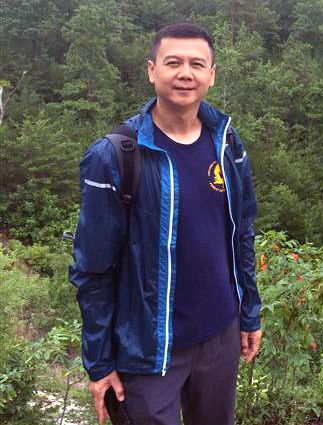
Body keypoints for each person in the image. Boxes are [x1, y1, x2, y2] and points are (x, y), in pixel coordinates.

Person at [69, 22, 262, 425]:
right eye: (173, 63)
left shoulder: (227, 143)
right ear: (152, 70)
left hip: (220, 334)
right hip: (147, 347)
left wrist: (249, 313)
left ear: (212, 74)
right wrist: (99, 362)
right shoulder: (116, 156)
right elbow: (92, 267)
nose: (185, 73)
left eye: (197, 64)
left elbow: (241, 232)